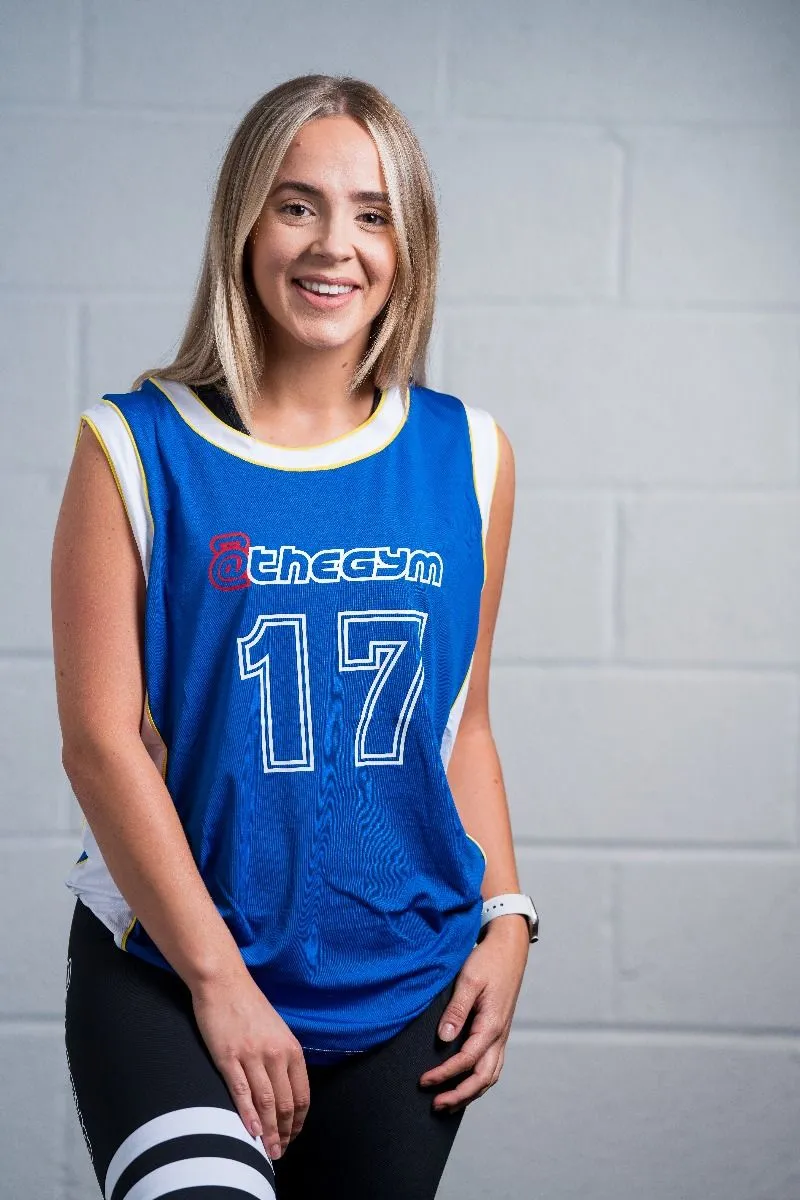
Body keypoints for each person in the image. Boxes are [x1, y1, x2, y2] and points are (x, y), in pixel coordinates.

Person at [51, 73, 537, 1200]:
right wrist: (219, 983)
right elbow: (100, 745)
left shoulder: (470, 455)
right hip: (173, 971)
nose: (334, 246)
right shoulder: (133, 446)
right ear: (245, 223)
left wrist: (508, 919)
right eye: (297, 204)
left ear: (408, 245)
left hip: (403, 986)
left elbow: (462, 724)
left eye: (373, 214)